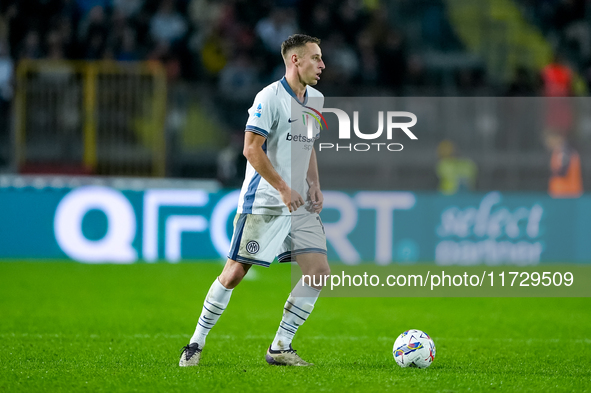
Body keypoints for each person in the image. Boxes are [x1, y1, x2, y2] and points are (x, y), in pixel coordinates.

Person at [179, 34, 328, 367]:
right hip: (265, 202)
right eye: (315, 58)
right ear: (295, 61)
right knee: (233, 274)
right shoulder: (269, 97)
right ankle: (195, 343)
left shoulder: (314, 99)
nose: (321, 65)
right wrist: (282, 188)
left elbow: (308, 144)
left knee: (317, 272)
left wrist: (313, 184)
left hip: (299, 203)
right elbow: (250, 149)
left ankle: (280, 347)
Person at [545, 131, 583, 198]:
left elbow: (563, 171)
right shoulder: (565, 151)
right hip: (566, 192)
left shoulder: (564, 152)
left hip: (564, 193)